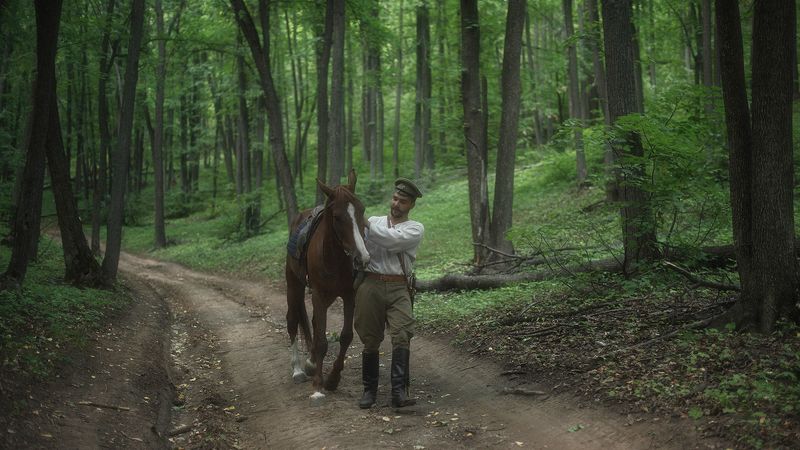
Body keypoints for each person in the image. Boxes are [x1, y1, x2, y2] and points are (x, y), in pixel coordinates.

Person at [355, 177, 424, 409]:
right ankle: (369, 391)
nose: (396, 204)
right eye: (395, 199)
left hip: (399, 286)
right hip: (370, 285)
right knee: (370, 338)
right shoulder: (375, 221)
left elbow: (391, 241)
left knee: (402, 334)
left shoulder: (414, 229)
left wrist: (363, 223)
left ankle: (398, 392)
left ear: (411, 205)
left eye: (403, 201)